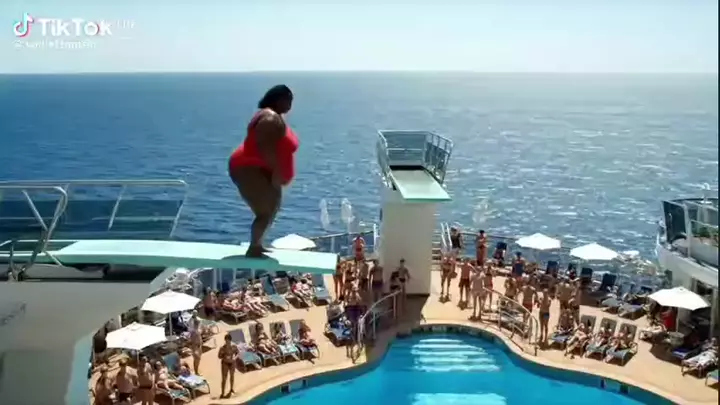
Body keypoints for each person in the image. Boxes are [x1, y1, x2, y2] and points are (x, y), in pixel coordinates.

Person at [228, 85, 298, 257]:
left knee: (272, 208)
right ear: (278, 99)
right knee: (265, 212)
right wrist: (276, 173)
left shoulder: (273, 116)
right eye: (288, 100)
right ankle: (254, 248)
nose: (290, 104)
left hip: (259, 168)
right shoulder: (270, 118)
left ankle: (258, 245)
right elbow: (265, 148)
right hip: (250, 168)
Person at [218, 333, 239, 398]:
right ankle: (222, 392)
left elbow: (238, 353)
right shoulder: (222, 348)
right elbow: (219, 356)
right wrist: (222, 354)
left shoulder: (233, 346)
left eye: (228, 341)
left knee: (232, 376)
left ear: (230, 340)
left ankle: (231, 389)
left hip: (232, 363)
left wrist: (235, 358)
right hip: (225, 363)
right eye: (226, 341)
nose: (227, 342)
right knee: (224, 378)